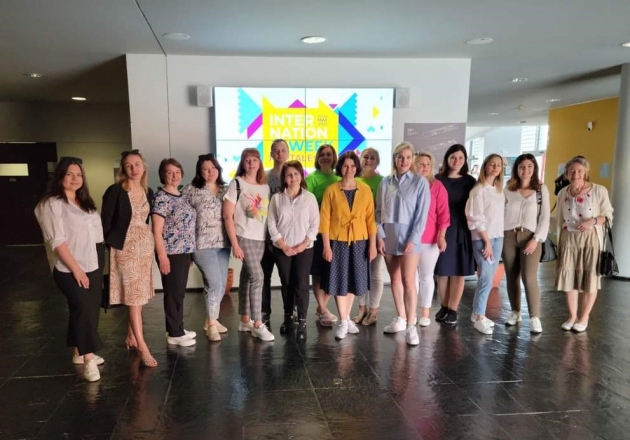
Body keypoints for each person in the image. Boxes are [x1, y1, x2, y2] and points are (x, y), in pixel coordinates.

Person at [35, 157, 105, 382]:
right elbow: (57, 241)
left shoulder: (84, 202)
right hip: (68, 266)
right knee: (83, 307)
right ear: (60, 177)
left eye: (79, 174)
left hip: (93, 260)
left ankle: (78, 351)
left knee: (87, 308)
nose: (75, 178)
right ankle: (89, 358)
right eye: (69, 174)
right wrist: (77, 269)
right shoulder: (51, 204)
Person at [102, 150, 157, 367]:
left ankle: (131, 337)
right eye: (128, 165)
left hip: (144, 247)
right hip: (124, 248)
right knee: (133, 297)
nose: (134, 169)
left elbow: (147, 221)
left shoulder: (148, 191)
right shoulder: (115, 191)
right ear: (123, 169)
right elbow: (105, 221)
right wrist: (113, 246)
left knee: (139, 295)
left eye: (137, 164)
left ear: (143, 167)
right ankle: (143, 347)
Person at [376, 142, 430, 346]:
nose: (404, 161)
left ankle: (410, 326)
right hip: (388, 234)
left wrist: (413, 239)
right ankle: (401, 317)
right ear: (395, 158)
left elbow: (421, 215)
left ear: (412, 159)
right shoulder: (385, 182)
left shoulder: (420, 181)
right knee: (395, 279)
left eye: (408, 157)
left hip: (409, 236)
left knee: (408, 280)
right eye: (400, 156)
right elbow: (378, 211)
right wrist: (380, 236)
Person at [320, 151, 377, 340]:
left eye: (353, 166)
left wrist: (372, 245)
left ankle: (346, 318)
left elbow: (370, 220)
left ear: (357, 168)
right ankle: (344, 321)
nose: (349, 169)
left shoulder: (365, 190)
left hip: (360, 241)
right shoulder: (331, 190)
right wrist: (326, 246)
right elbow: (324, 220)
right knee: (339, 280)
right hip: (338, 242)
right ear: (340, 168)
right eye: (345, 166)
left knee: (353, 280)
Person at [555, 156, 613, 332]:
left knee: (590, 277)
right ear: (567, 173)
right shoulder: (563, 192)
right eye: (572, 171)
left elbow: (608, 216)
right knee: (569, 277)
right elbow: (559, 218)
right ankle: (572, 316)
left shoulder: (598, 190)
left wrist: (592, 221)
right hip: (568, 239)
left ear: (586, 172)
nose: (575, 174)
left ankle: (584, 316)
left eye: (579, 171)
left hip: (590, 239)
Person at [223, 148, 273, 341]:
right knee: (258, 277)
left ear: (260, 163)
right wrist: (235, 244)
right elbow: (228, 216)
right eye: (247, 160)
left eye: (254, 160)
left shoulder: (265, 187)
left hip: (260, 238)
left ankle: (244, 320)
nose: (251, 163)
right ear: (242, 163)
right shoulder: (236, 183)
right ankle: (258, 323)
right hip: (243, 236)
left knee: (247, 276)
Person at [267, 160, 319, 341]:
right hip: (283, 249)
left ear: (301, 176)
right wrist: (283, 245)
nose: (293, 177)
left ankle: (302, 321)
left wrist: (304, 244)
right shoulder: (276, 199)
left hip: (304, 249)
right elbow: (271, 223)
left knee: (302, 284)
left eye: (296, 174)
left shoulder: (309, 198)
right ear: (284, 178)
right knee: (287, 283)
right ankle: (288, 318)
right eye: (289, 175)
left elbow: (315, 224)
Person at [182, 154, 230, 342]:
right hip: (201, 245)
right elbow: (181, 216)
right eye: (205, 169)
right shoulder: (191, 190)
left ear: (218, 169)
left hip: (223, 244)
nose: (210, 172)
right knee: (215, 283)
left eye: (213, 168)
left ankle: (212, 319)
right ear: (199, 171)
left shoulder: (226, 190)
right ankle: (211, 324)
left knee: (220, 285)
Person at [152, 158, 197, 347]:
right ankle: (174, 333)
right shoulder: (161, 197)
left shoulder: (182, 196)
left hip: (184, 252)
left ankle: (178, 326)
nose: (174, 175)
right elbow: (156, 230)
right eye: (169, 172)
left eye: (177, 172)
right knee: (173, 293)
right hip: (170, 252)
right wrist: (162, 256)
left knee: (179, 292)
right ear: (162, 175)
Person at [502, 154, 550, 334]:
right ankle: (515, 312)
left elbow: (545, 217)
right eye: (522, 166)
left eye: (530, 166)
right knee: (511, 276)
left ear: (534, 168)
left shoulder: (541, 189)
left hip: (530, 237)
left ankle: (535, 317)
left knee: (529, 278)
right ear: (516, 168)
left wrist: (536, 239)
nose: (526, 170)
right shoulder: (508, 188)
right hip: (508, 235)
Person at [434, 144, 476, 325]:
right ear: (447, 159)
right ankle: (444, 306)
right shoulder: (437, 179)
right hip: (441, 230)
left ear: (465, 160)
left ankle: (453, 309)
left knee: (458, 271)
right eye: (453, 157)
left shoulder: (470, 181)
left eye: (460, 158)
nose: (457, 161)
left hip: (461, 229)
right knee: (442, 271)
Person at [466, 154, 505, 335]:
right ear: (485, 166)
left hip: (498, 238)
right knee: (486, 278)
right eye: (492, 164)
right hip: (483, 239)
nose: (495, 168)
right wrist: (487, 241)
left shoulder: (498, 189)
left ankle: (477, 313)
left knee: (488, 278)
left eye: (499, 165)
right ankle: (479, 316)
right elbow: (476, 217)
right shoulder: (478, 190)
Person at [413, 152, 450, 327]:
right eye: (421, 164)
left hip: (430, 240)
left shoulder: (437, 186)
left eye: (428, 164)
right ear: (414, 166)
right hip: (410, 239)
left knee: (426, 276)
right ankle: (411, 312)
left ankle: (425, 312)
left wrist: (441, 236)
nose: (425, 167)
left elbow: (443, 214)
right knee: (411, 278)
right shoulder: (409, 185)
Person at [305, 144, 341, 326]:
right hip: (319, 233)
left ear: (334, 158)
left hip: (338, 233)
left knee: (334, 271)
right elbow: (307, 207)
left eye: (329, 154)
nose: (325, 157)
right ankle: (323, 308)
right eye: (322, 154)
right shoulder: (311, 179)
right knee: (318, 272)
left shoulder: (339, 178)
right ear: (317, 158)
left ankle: (322, 307)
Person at [352, 147, 385, 326]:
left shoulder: (382, 182)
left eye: (372, 158)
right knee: (360, 272)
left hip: (376, 231)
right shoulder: (354, 180)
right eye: (365, 157)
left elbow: (382, 210)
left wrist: (379, 236)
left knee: (375, 272)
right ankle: (362, 309)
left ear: (377, 162)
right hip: (357, 233)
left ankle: (373, 311)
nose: (368, 160)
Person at [261, 139, 289, 329]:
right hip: (265, 235)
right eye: (276, 150)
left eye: (283, 150)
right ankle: (264, 312)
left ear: (288, 153)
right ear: (271, 154)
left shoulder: (294, 175)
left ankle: (289, 312)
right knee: (264, 276)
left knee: (287, 277)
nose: (279, 153)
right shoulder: (263, 177)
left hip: (287, 237)